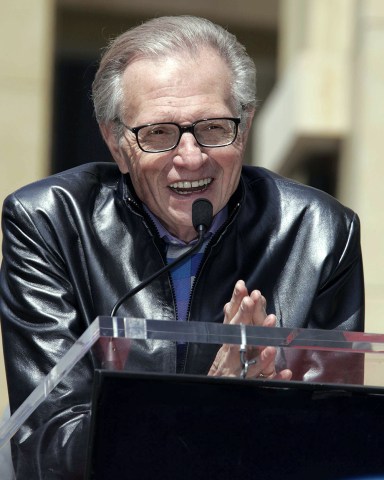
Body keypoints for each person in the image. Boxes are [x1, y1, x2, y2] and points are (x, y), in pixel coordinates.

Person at [0, 15, 364, 479]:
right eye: (158, 133)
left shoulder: (320, 232)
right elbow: (51, 446)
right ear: (116, 142)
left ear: (245, 125)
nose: (190, 157)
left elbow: (338, 445)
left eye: (213, 127)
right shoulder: (48, 221)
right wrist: (212, 406)